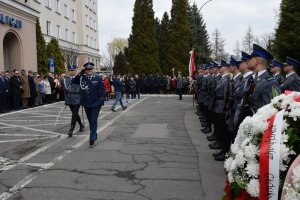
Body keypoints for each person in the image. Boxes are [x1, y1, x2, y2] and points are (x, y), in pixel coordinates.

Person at [72, 62, 106, 146]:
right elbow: (74, 81)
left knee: (94, 119)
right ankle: (94, 133)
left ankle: (92, 136)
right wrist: (80, 74)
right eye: (87, 69)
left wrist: (101, 101)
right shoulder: (82, 78)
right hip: (86, 103)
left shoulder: (98, 78)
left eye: (91, 69)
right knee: (90, 120)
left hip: (96, 103)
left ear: (93, 69)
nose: (89, 70)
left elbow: (102, 91)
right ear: (85, 70)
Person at [247, 44, 281, 114]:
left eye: (250, 58)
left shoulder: (270, 83)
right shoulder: (251, 80)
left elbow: (273, 112)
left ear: (257, 61)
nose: (248, 60)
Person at [63, 65, 84, 137]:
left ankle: (71, 129)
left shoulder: (79, 78)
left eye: (73, 70)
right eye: (70, 70)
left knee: (74, 114)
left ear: (75, 70)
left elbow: (82, 88)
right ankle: (81, 125)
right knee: (74, 113)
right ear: (69, 71)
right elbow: (65, 90)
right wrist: (66, 100)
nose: (72, 71)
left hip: (77, 98)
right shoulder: (66, 79)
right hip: (70, 98)